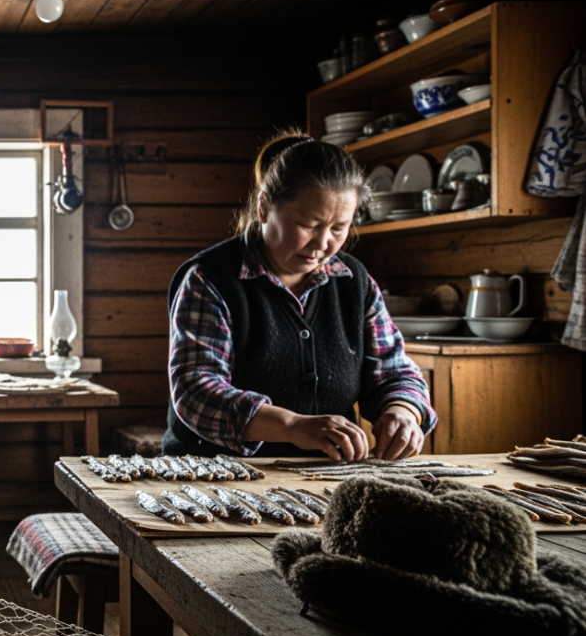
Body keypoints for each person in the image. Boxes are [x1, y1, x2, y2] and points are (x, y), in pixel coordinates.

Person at [163, 130, 437, 462]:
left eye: (339, 228)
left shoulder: (354, 281)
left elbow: (393, 371)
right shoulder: (211, 278)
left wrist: (403, 410)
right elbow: (197, 390)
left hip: (327, 471)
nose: (323, 244)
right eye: (308, 224)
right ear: (264, 207)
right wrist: (292, 426)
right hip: (213, 473)